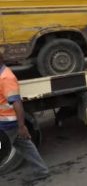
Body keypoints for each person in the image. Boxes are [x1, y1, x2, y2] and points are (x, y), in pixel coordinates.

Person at [0, 52, 50, 182]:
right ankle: (41, 171)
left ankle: (41, 171)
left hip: (7, 125)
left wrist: (22, 126)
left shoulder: (6, 78)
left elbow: (17, 103)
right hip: (8, 123)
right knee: (26, 146)